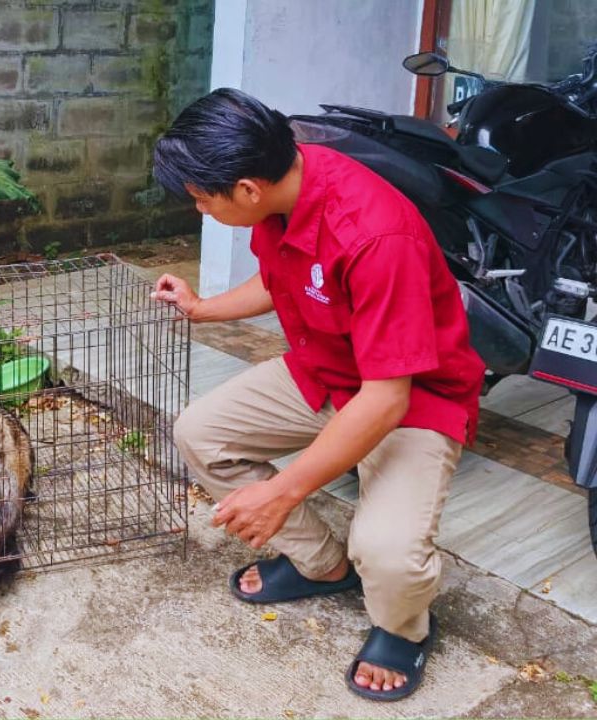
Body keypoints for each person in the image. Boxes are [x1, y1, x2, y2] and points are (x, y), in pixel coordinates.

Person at [150, 88, 485, 701]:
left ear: (247, 189)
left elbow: (386, 400)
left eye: (202, 198)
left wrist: (283, 491)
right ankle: (326, 567)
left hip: (412, 395)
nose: (199, 210)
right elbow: (282, 278)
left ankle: (404, 629)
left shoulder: (375, 234)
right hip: (328, 369)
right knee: (201, 432)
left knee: (385, 550)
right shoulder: (285, 184)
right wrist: (203, 309)